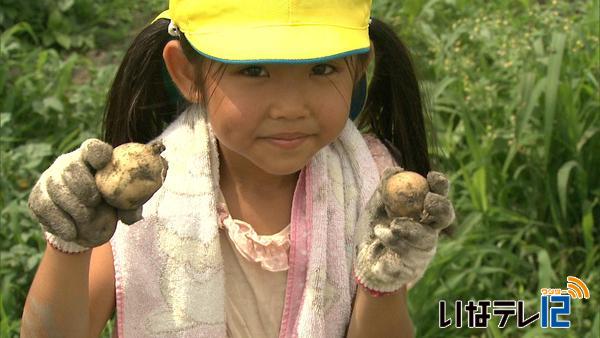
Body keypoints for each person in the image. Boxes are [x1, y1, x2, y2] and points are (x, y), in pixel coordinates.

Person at [21, 0, 455, 337]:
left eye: (322, 69)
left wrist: (382, 281)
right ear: (187, 73)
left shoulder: (370, 186)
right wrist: (69, 242)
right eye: (254, 70)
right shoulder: (138, 203)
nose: (290, 108)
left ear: (359, 68)